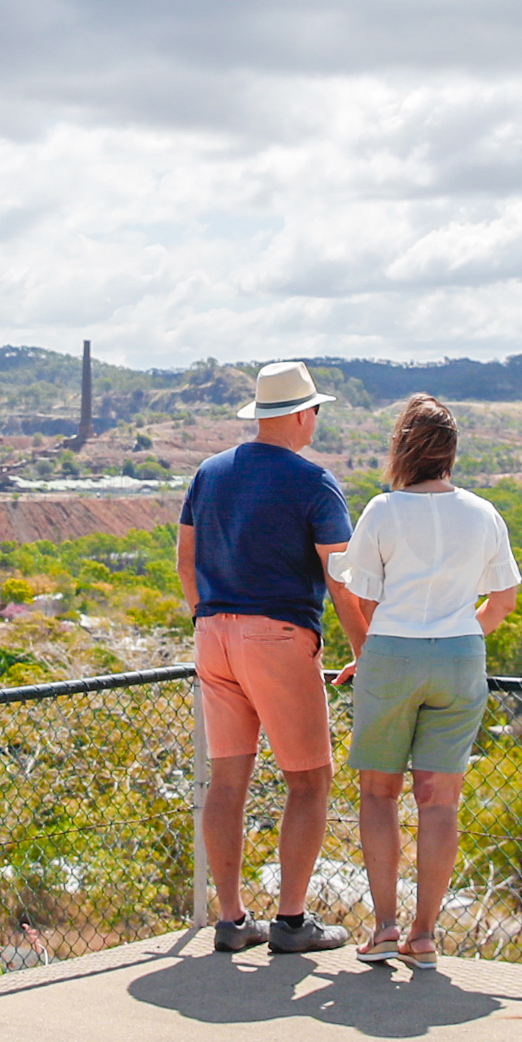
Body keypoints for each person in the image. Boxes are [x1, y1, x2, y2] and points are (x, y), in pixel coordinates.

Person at [326, 394, 520, 969]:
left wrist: (374, 653)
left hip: (391, 653)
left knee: (378, 792)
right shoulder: (483, 513)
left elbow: (358, 596)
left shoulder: (383, 511)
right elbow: (503, 600)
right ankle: (425, 934)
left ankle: (385, 927)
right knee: (440, 802)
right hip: (461, 658)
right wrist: (463, 633)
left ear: (402, 449)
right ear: (451, 453)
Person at [178, 360, 356, 955]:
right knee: (309, 780)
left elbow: (186, 560)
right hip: (276, 638)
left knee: (228, 778)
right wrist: (366, 652)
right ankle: (292, 921)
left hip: (212, 634)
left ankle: (230, 920)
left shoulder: (209, 472)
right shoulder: (314, 482)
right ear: (303, 414)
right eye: (316, 412)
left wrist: (210, 618)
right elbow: (342, 581)